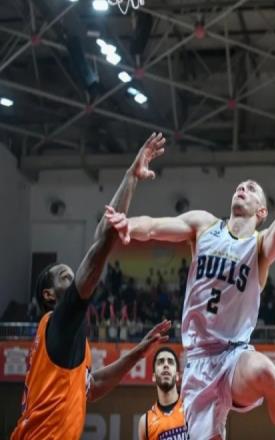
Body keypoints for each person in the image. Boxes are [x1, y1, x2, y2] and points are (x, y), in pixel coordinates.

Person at [106, 117, 275, 440]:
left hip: (234, 356)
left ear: (261, 212)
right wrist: (128, 224)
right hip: (197, 362)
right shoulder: (203, 226)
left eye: (252, 189)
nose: (242, 188)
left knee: (266, 371)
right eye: (240, 186)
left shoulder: (260, 246)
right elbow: (154, 226)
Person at [11, 133, 168, 440]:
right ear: (48, 295)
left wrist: (138, 352)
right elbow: (100, 247)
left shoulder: (63, 341)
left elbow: (92, 386)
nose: (73, 280)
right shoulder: (57, 321)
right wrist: (130, 179)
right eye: (64, 277)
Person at [138, 347, 188, 440]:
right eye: (161, 362)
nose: (166, 365)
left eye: (170, 362)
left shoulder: (190, 407)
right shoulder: (145, 422)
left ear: (177, 376)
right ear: (153, 377)